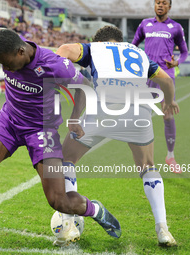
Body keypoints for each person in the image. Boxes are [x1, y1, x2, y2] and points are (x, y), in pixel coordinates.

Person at [0, 24, 122, 255]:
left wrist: (75, 120)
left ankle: (95, 210)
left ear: (21, 52)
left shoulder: (54, 65)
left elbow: (84, 87)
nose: (6, 68)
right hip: (10, 120)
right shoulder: (11, 45)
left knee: (59, 201)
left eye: (7, 63)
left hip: (42, 129)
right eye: (2, 65)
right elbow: (1, 32)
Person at [56, 25, 179, 247]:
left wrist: (56, 69)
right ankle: (163, 230)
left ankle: (69, 222)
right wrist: (169, 102)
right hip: (138, 112)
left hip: (102, 110)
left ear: (98, 40)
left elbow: (65, 49)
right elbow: (167, 81)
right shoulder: (139, 54)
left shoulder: (95, 49)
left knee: (66, 160)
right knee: (148, 167)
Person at [132, 0, 188, 173]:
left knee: (168, 114)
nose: (160, 5)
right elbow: (133, 45)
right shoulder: (144, 24)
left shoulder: (176, 27)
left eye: (164, 3)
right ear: (154, 5)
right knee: (142, 115)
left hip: (165, 74)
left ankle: (170, 156)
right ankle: (145, 157)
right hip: (146, 73)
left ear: (169, 7)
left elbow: (184, 51)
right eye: (158, 2)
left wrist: (177, 62)